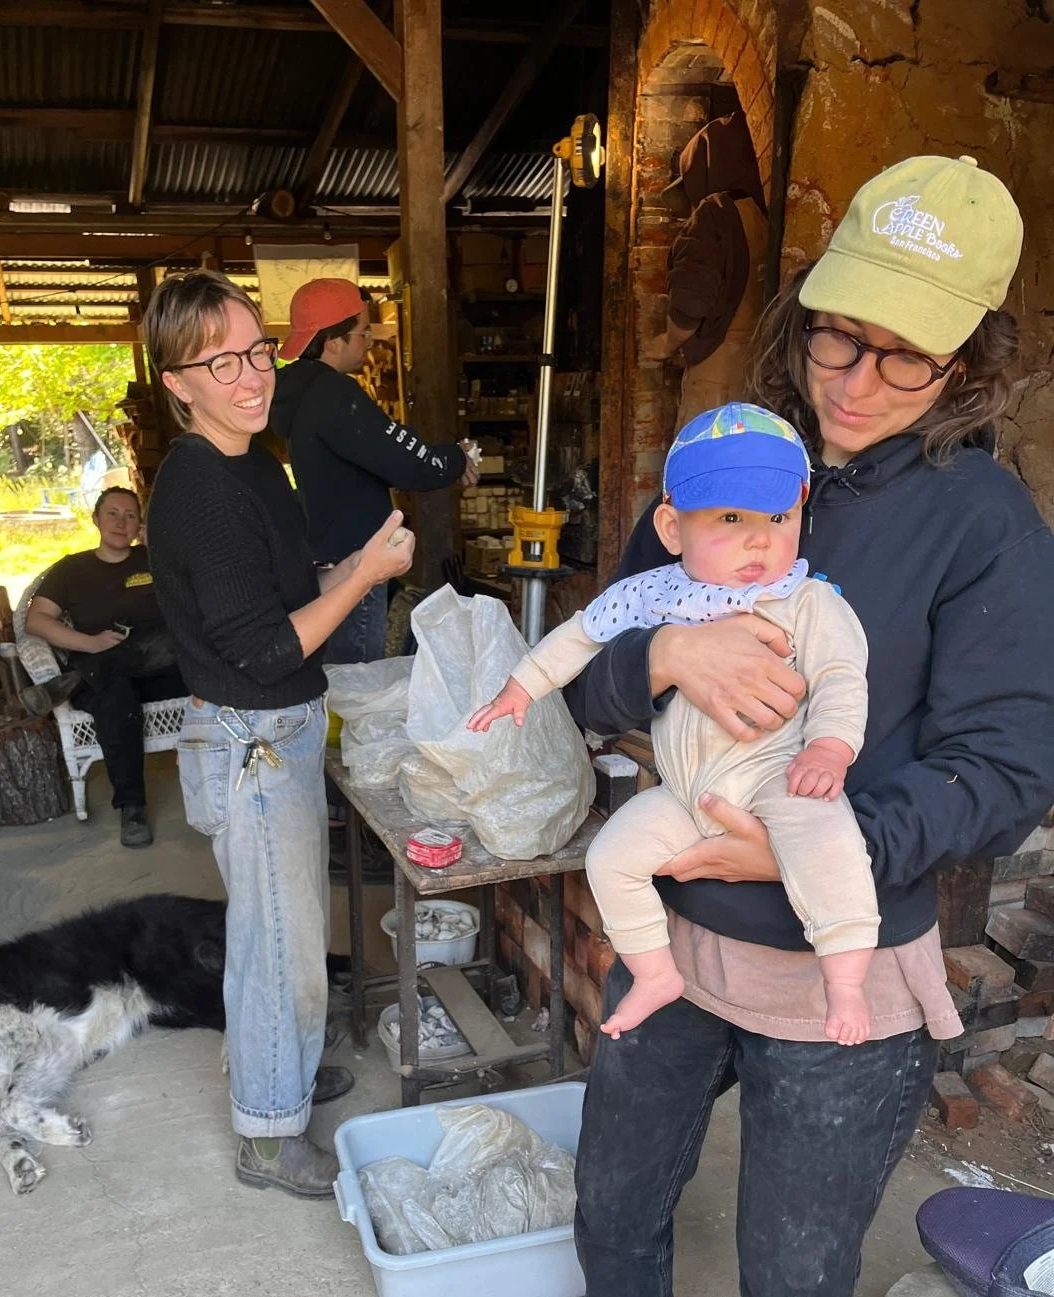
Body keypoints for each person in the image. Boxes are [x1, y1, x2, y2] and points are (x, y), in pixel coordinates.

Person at [504, 155, 1054, 1297]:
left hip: (838, 951)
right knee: (621, 1171)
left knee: (802, 1236)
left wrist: (825, 840)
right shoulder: (718, 460)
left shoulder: (981, 524)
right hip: (675, 927)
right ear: (801, 314)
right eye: (837, 335)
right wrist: (656, 655)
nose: (857, 382)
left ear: (975, 358)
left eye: (908, 357)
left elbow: (1006, 772)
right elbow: (593, 682)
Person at [470, 404, 885, 1046]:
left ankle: (847, 982)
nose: (759, 540)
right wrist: (521, 685)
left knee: (830, 847)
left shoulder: (809, 600)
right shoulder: (655, 594)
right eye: (729, 518)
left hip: (782, 777)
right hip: (689, 794)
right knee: (611, 858)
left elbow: (840, 677)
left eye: (779, 518)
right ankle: (656, 972)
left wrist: (830, 748)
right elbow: (580, 637)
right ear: (671, 526)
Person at [143, 269, 415, 1200]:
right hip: (251, 738)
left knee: (291, 933)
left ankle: (283, 1076)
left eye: (257, 350)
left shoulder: (255, 460)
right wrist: (367, 571)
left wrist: (338, 567)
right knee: (280, 948)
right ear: (178, 383)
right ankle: (266, 1135)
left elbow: (282, 587)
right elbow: (262, 649)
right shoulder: (196, 491)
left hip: (283, 728)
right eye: (221, 363)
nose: (252, 376)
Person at [269, 276, 479, 665]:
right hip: (356, 563)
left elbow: (385, 451)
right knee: (356, 680)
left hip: (328, 558)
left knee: (338, 676)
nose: (369, 341)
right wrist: (454, 459)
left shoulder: (300, 392)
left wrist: (448, 458)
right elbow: (403, 459)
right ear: (333, 342)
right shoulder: (334, 397)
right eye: (363, 333)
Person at [24, 486, 186, 849]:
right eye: (112, 513)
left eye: (130, 515)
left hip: (163, 671)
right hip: (107, 674)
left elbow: (197, 595)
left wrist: (160, 545)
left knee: (164, 638)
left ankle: (71, 681)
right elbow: (36, 621)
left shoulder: (155, 560)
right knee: (116, 697)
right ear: (95, 519)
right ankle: (132, 810)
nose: (121, 522)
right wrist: (91, 643)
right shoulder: (71, 569)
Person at [650, 113, 769, 428]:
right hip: (757, 375)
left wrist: (667, 342)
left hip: (716, 378)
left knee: (702, 466)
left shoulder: (714, 212)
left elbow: (691, 300)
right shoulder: (764, 213)